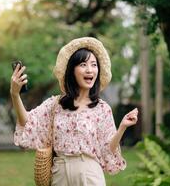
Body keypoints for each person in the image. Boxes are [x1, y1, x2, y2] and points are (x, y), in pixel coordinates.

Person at [10, 37, 138, 186]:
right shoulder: (55, 104)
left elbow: (107, 150)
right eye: (83, 65)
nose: (90, 70)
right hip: (60, 174)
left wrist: (122, 127)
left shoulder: (102, 109)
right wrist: (15, 94)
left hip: (90, 174)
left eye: (94, 65)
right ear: (72, 70)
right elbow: (27, 123)